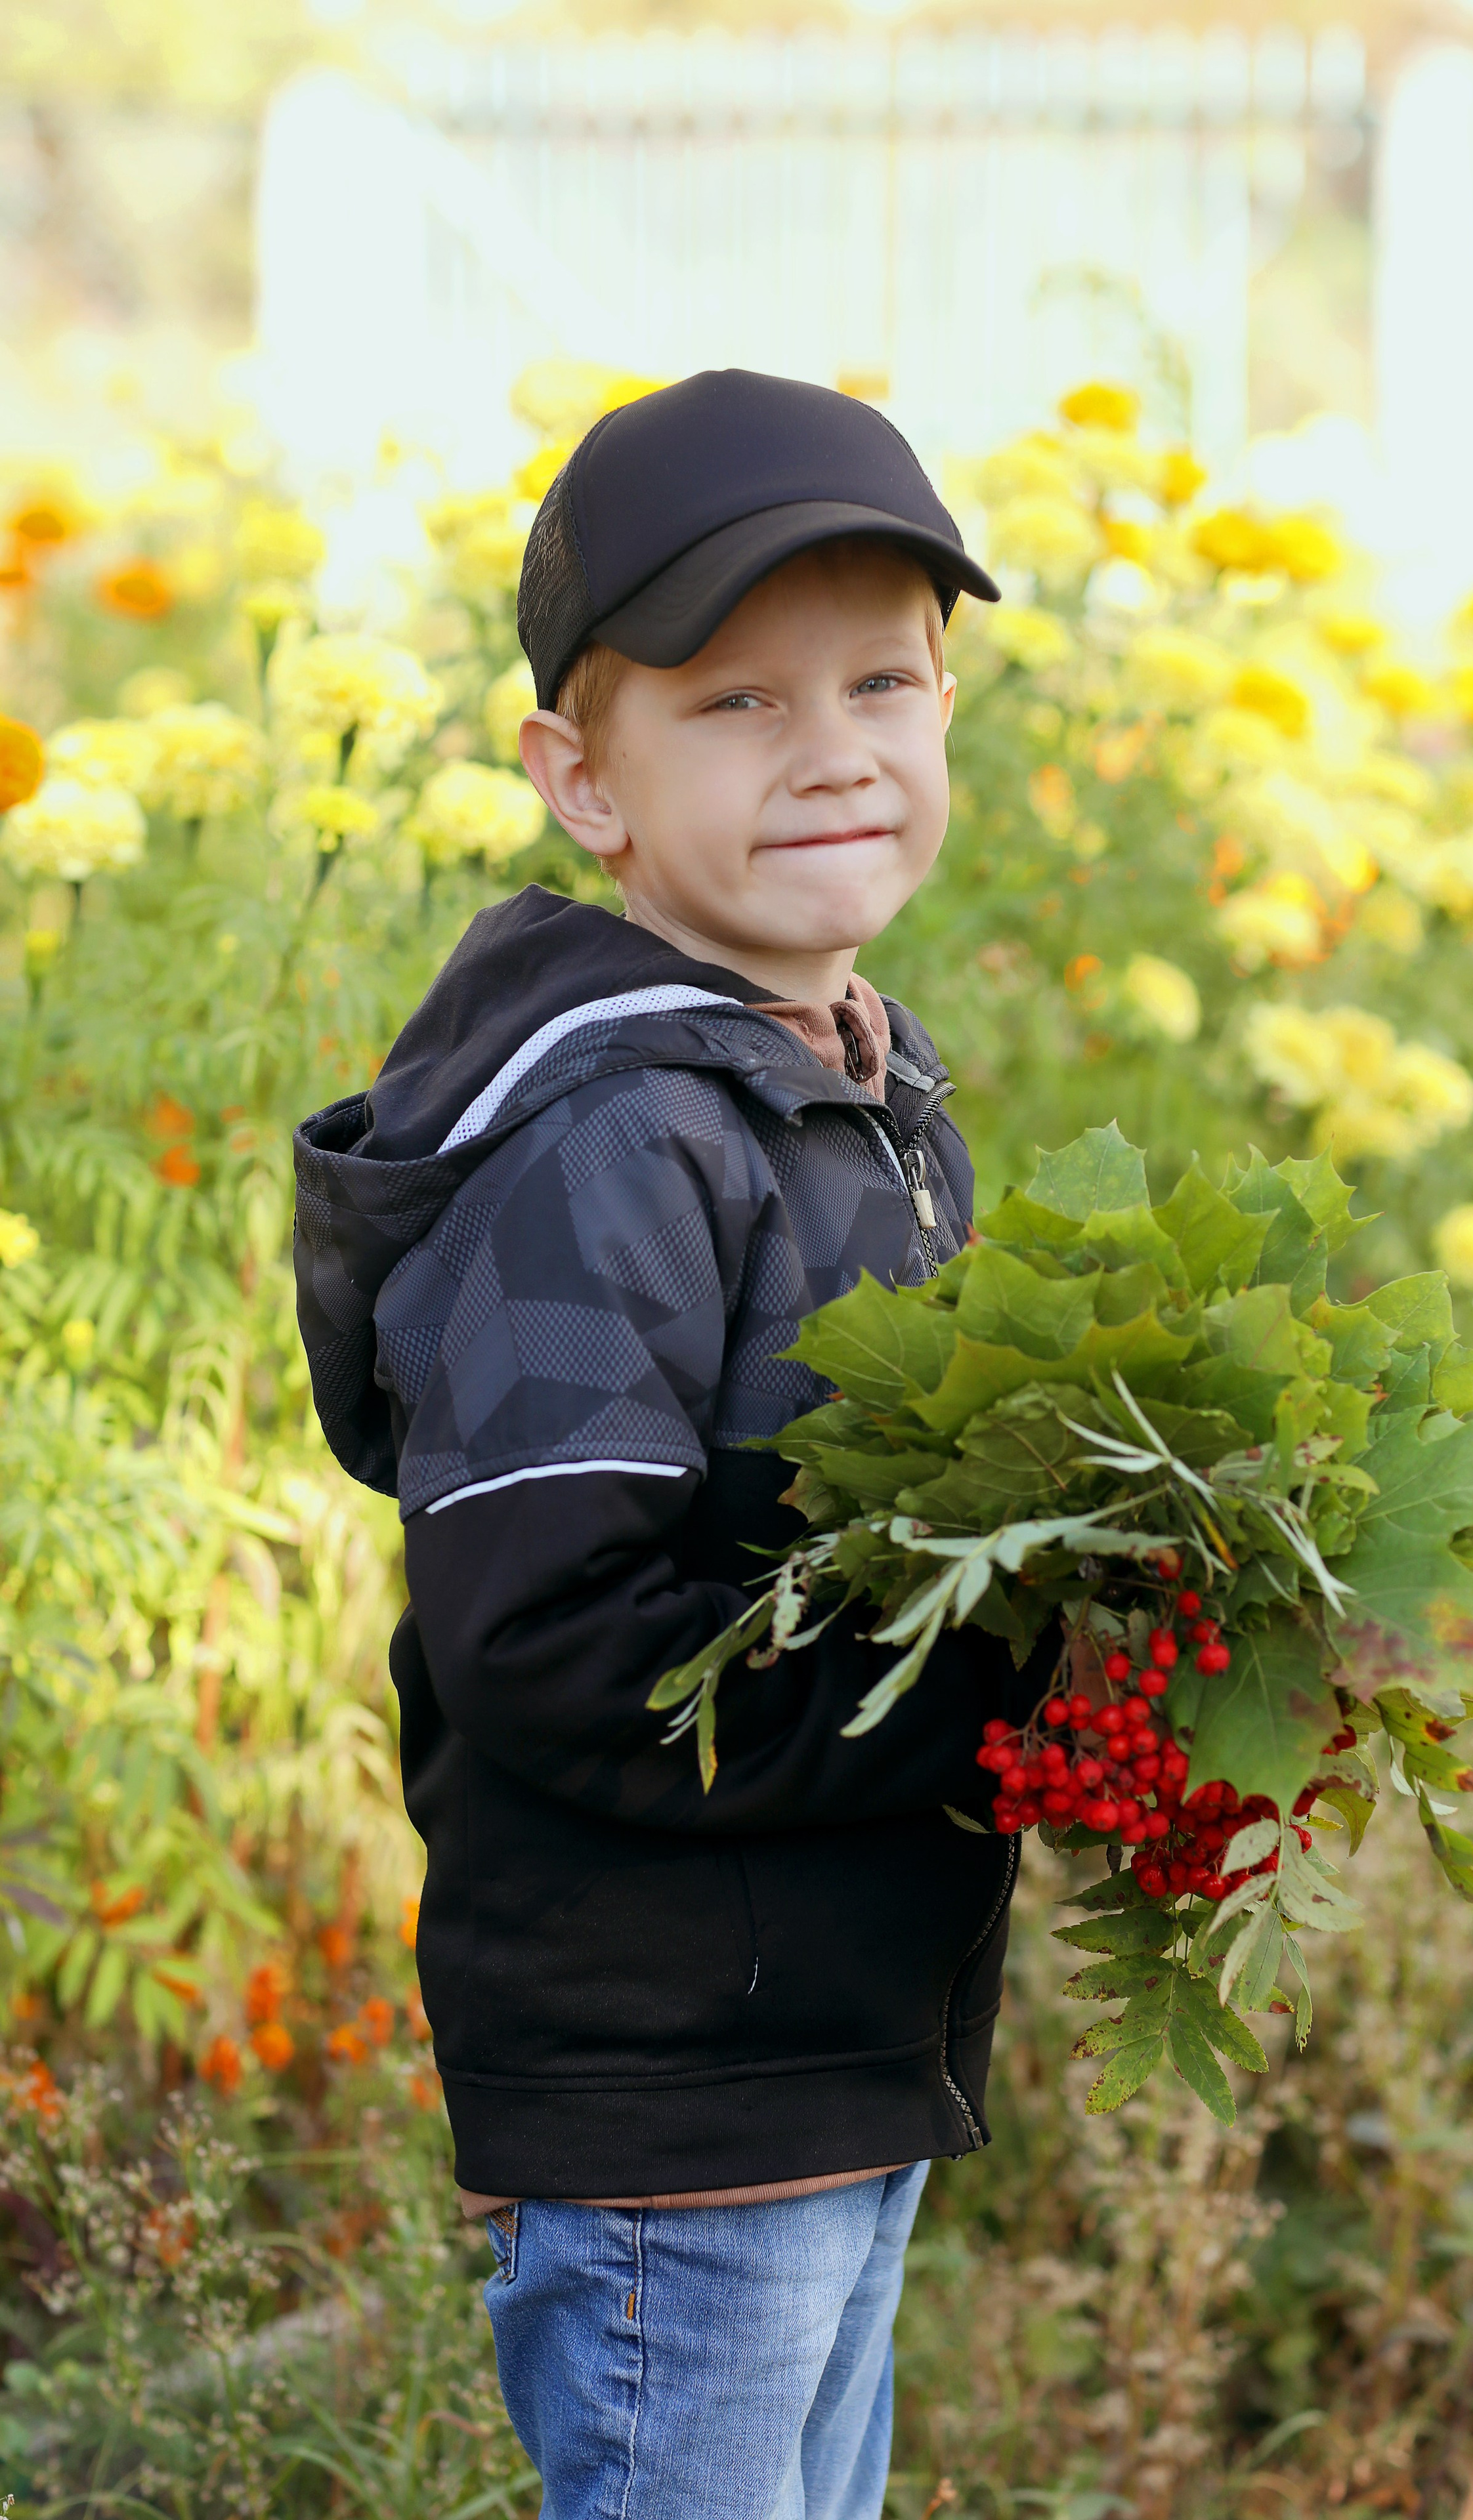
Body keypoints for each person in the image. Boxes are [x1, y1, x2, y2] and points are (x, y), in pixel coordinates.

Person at [293, 368, 1049, 2518]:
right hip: (681, 2106)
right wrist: (978, 1703)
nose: (831, 751)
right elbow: (561, 1642)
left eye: (883, 682)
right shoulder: (608, 1141)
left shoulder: (874, 1096)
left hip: (835, 2058)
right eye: (733, 703)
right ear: (581, 780)